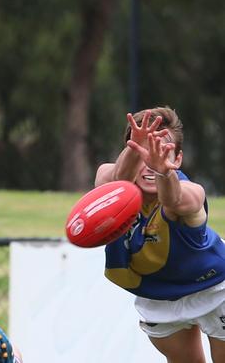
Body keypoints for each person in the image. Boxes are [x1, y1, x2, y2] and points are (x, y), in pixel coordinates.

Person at [95, 107, 225, 362]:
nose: (151, 163)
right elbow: (115, 180)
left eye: (162, 151)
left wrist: (163, 171)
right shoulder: (107, 180)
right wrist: (136, 148)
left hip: (215, 289)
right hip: (158, 295)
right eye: (143, 151)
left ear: (177, 160)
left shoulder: (192, 192)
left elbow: (173, 200)